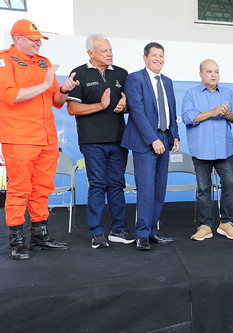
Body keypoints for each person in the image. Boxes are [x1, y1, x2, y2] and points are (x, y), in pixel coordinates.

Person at [0, 19, 78, 260]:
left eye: (39, 39)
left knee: (42, 188)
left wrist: (63, 89)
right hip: (19, 137)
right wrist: (45, 83)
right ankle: (16, 240)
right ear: (17, 39)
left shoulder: (43, 63)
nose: (38, 43)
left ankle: (39, 235)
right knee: (19, 188)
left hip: (46, 138)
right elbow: (11, 95)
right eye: (33, 39)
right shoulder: (4, 60)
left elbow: (56, 101)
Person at [67, 34, 135, 249]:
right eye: (104, 50)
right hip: (92, 141)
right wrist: (99, 105)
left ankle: (119, 229)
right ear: (90, 53)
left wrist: (125, 107)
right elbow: (71, 108)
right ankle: (97, 233)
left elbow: (133, 105)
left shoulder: (122, 74)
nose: (110, 53)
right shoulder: (79, 73)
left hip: (118, 139)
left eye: (110, 49)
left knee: (117, 184)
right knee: (97, 185)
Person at [121, 42, 179, 250]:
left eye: (161, 55)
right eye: (154, 55)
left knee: (159, 189)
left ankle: (152, 230)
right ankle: (142, 234)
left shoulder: (168, 82)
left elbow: (171, 110)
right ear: (145, 58)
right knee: (146, 189)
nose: (158, 59)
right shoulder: (135, 78)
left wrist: (175, 136)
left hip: (164, 139)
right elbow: (136, 111)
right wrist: (152, 139)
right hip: (145, 142)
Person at [182, 59, 233, 241]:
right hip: (201, 150)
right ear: (201, 74)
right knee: (203, 189)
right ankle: (205, 226)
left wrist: (226, 114)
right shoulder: (191, 94)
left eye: (216, 71)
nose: (214, 75)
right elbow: (187, 118)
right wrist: (213, 112)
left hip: (224, 149)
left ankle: (226, 223)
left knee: (230, 184)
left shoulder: (227, 93)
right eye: (209, 71)